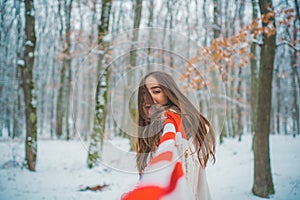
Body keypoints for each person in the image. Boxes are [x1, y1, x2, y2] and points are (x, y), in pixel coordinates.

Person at [123, 71, 216, 200]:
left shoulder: (177, 127)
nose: (148, 98)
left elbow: (185, 181)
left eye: (156, 91)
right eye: (144, 93)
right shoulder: (152, 131)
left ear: (169, 93)